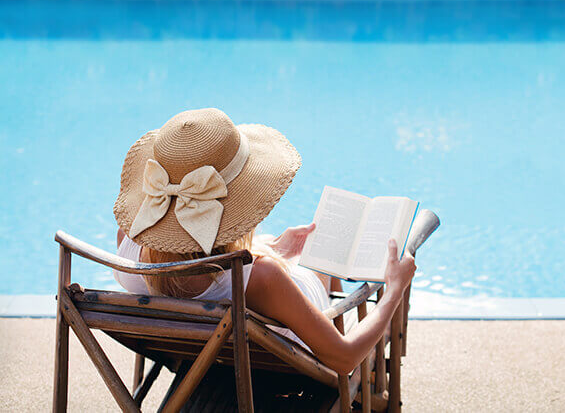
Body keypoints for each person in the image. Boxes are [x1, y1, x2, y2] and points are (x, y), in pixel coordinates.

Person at [112, 108, 416, 375]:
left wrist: (275, 248)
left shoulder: (130, 244)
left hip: (207, 360)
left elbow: (206, 265)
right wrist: (393, 290)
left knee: (305, 250)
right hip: (284, 361)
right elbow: (344, 357)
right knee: (323, 259)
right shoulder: (263, 278)